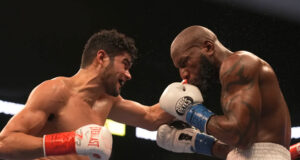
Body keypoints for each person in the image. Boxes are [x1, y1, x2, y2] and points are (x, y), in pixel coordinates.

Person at [0, 29, 175, 160]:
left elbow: (152, 117)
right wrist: (70, 141)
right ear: (101, 57)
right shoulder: (57, 91)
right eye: (125, 64)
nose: (129, 75)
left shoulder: (108, 101)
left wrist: (187, 89)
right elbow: (4, 143)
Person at [156, 25, 291, 159]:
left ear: (208, 47)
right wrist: (195, 141)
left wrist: (189, 110)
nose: (183, 74)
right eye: (179, 68)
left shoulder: (239, 63)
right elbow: (243, 149)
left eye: (185, 62)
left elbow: (239, 136)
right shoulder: (234, 76)